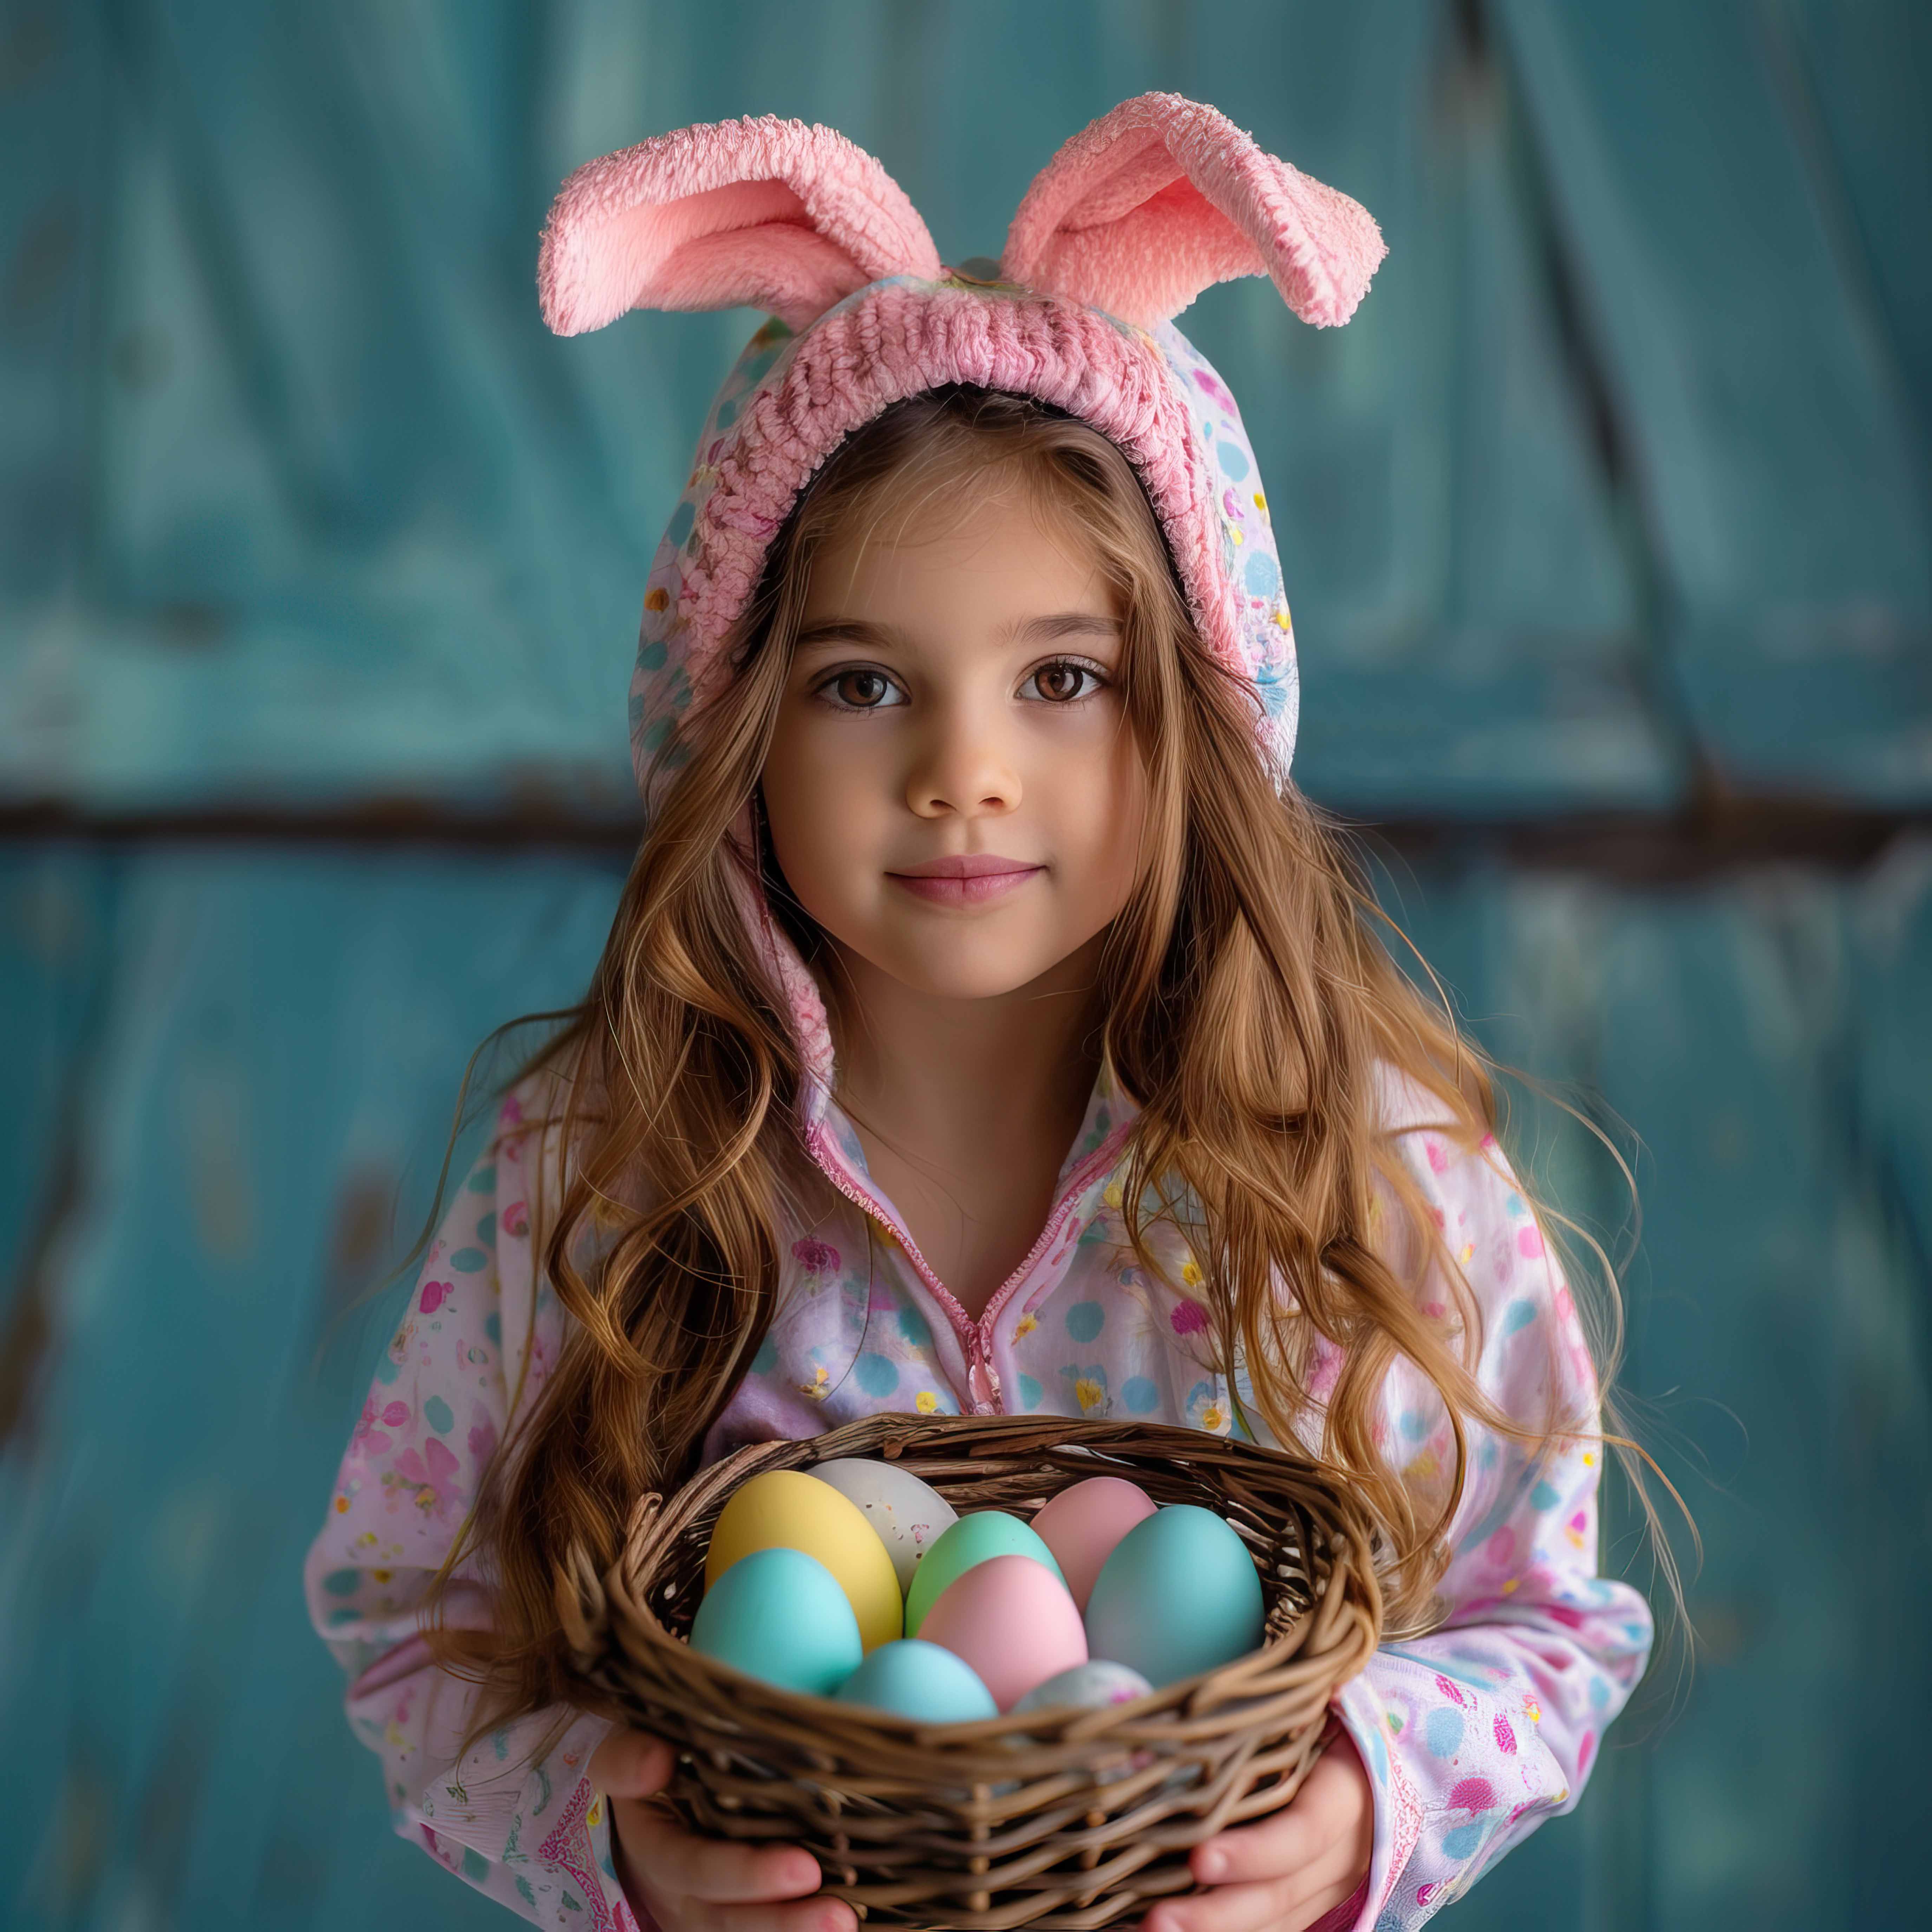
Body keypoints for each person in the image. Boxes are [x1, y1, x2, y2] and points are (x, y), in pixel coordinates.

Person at [305, 95, 1671, 1932]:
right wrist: (607, 1837)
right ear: (736, 729)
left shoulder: (1363, 1166)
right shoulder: (606, 1175)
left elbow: (1550, 1618)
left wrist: (1368, 1801)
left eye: (1064, 679)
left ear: (1195, 715)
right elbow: (411, 1621)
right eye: (865, 682)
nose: (965, 773)